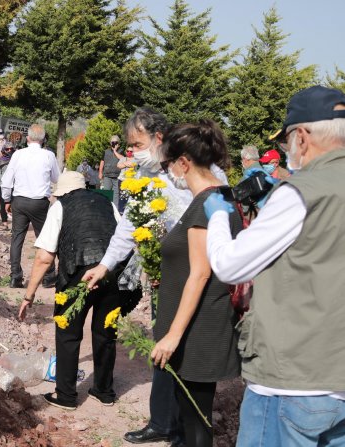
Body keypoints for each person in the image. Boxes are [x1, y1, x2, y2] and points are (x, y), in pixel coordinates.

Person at [204, 85, 345, 446]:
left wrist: (219, 218)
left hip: (292, 380)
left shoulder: (301, 192)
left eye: (285, 142)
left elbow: (231, 265)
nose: (287, 151)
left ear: (302, 136)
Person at [82, 107, 228, 445]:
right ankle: (162, 422)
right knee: (164, 345)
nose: (133, 152)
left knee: (192, 354)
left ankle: (189, 430)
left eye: (137, 144)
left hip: (204, 278)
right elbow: (128, 229)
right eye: (130, 147)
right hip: (169, 279)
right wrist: (105, 265)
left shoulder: (201, 172)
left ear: (159, 138)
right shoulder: (151, 183)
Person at [149, 120, 242, 447]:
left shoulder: (207, 203)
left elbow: (201, 273)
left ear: (184, 162)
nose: (169, 170)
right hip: (196, 329)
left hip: (196, 334)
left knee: (196, 426)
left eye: (169, 163)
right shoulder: (219, 196)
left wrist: (173, 336)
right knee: (190, 423)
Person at [18, 171, 141, 410]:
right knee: (105, 331)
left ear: (62, 192)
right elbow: (123, 238)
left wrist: (29, 295)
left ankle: (66, 395)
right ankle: (104, 391)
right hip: (114, 271)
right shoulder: (107, 203)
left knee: (68, 332)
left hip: (80, 271)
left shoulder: (60, 206)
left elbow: (44, 257)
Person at [1, 124, 60, 289]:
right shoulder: (49, 155)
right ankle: (48, 276)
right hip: (40, 202)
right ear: (43, 140)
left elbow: (6, 181)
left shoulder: (18, 154)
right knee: (45, 239)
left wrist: (7, 200)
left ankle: (15, 277)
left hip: (19, 201)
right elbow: (57, 178)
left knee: (17, 238)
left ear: (27, 138)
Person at [98, 135, 124, 206]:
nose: (114, 144)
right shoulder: (106, 151)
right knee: (106, 192)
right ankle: (105, 207)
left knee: (116, 193)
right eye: (112, 142)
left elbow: (122, 159)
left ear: (118, 143)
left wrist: (115, 151)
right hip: (107, 175)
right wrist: (100, 172)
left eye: (115, 142)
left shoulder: (121, 151)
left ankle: (115, 209)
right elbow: (102, 161)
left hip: (117, 176)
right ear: (110, 143)